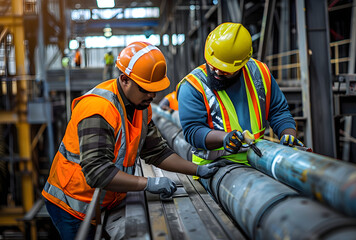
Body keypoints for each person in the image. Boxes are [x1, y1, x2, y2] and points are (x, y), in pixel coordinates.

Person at [42, 41, 224, 239]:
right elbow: (97, 172)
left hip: (103, 200)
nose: (151, 95)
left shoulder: (140, 107)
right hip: (72, 205)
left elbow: (158, 152)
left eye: (154, 89)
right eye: (145, 89)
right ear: (124, 80)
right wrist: (148, 183)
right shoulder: (98, 110)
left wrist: (197, 170)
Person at [177, 23, 304, 183]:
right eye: (213, 65)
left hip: (258, 158)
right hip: (214, 168)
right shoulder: (193, 86)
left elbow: (278, 111)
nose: (217, 72)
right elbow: (192, 131)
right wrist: (224, 138)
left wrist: (288, 134)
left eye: (225, 70)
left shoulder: (260, 74)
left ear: (242, 63)